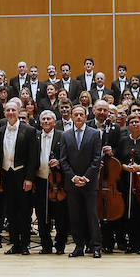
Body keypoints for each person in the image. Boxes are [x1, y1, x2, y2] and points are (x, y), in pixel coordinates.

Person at [59, 104, 102, 258]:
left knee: (91, 215)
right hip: (72, 183)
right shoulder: (65, 135)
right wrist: (73, 177)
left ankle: (96, 246)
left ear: (85, 116)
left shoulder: (95, 134)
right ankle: (79, 247)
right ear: (71, 116)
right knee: (75, 216)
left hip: (89, 183)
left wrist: (86, 177)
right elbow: (63, 160)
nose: (78, 117)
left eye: (81, 115)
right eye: (75, 114)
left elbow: (97, 159)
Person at [0, 99, 37, 255]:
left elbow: (33, 158)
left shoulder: (29, 130)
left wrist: (29, 179)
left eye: (14, 110)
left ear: (19, 112)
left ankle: (25, 244)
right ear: (4, 113)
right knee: (11, 213)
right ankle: (15, 244)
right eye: (8, 110)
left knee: (24, 212)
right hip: (7, 175)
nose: (11, 113)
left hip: (22, 176)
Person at [116, 112, 140, 254]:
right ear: (128, 124)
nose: (134, 124)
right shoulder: (123, 140)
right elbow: (118, 159)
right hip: (126, 181)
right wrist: (125, 167)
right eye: (132, 122)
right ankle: (130, 243)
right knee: (128, 212)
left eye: (137, 122)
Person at [33, 110, 68, 255]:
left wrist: (59, 162)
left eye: (49, 119)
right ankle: (46, 245)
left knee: (61, 215)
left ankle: (60, 245)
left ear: (54, 122)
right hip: (41, 180)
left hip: (57, 182)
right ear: (40, 122)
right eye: (43, 119)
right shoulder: (35, 136)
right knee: (42, 215)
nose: (46, 122)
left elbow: (68, 156)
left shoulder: (63, 135)